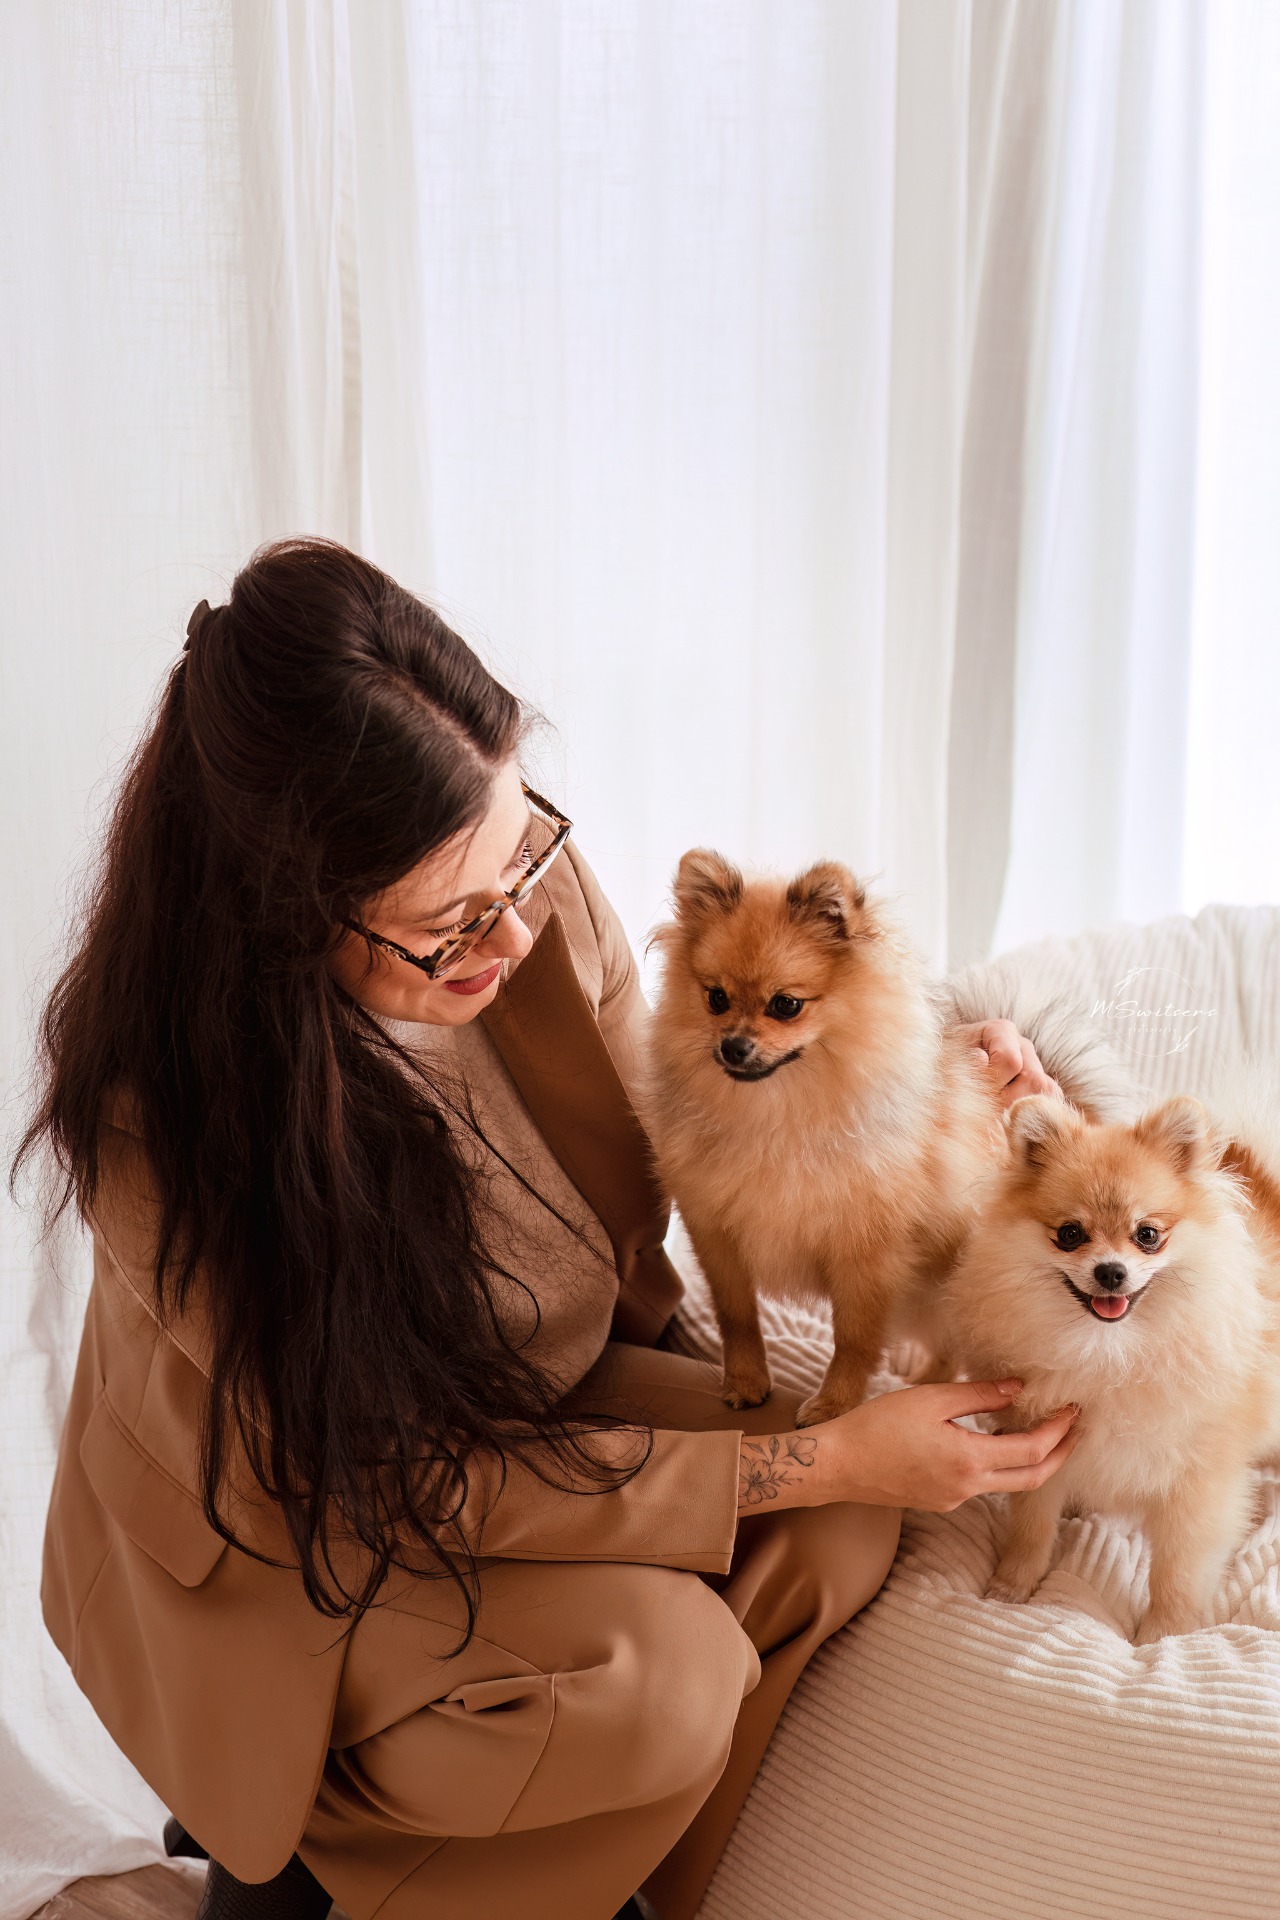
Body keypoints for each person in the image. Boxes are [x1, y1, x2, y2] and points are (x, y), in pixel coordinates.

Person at [19, 539, 1078, 1920]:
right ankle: (333, 1868)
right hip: (313, 1536)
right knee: (665, 1675)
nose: (515, 937)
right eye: (451, 922)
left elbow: (704, 1112)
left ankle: (566, 1893)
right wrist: (816, 1452)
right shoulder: (163, 1121)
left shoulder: (529, 898)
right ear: (287, 922)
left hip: (538, 1397)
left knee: (843, 1528)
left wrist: (944, 1094)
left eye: (521, 854)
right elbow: (392, 1486)